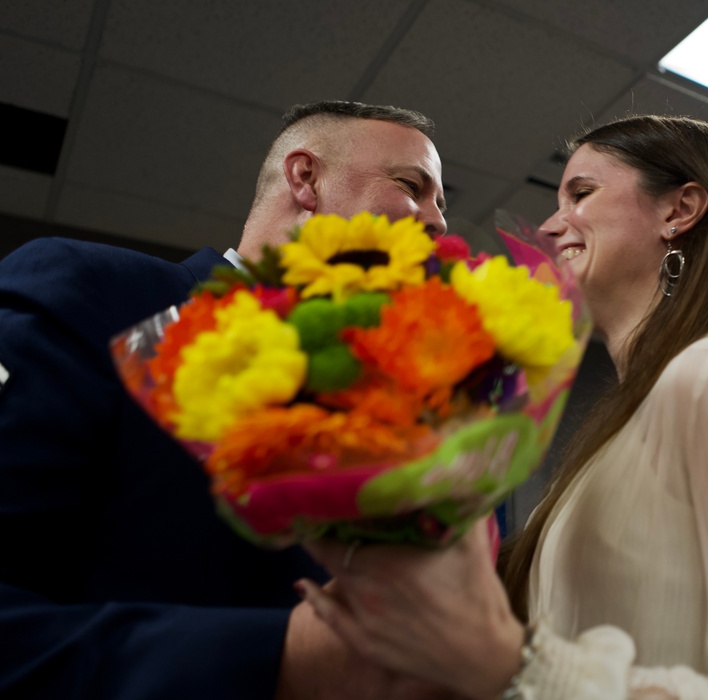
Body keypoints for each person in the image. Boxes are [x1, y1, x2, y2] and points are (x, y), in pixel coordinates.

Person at [298, 115, 708, 699]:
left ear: (679, 210)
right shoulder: (609, 440)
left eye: (580, 194)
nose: (550, 227)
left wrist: (515, 666)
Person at [0, 100, 451, 700]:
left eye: (443, 203)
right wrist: (279, 658)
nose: (439, 223)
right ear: (305, 179)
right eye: (412, 185)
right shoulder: (91, 292)